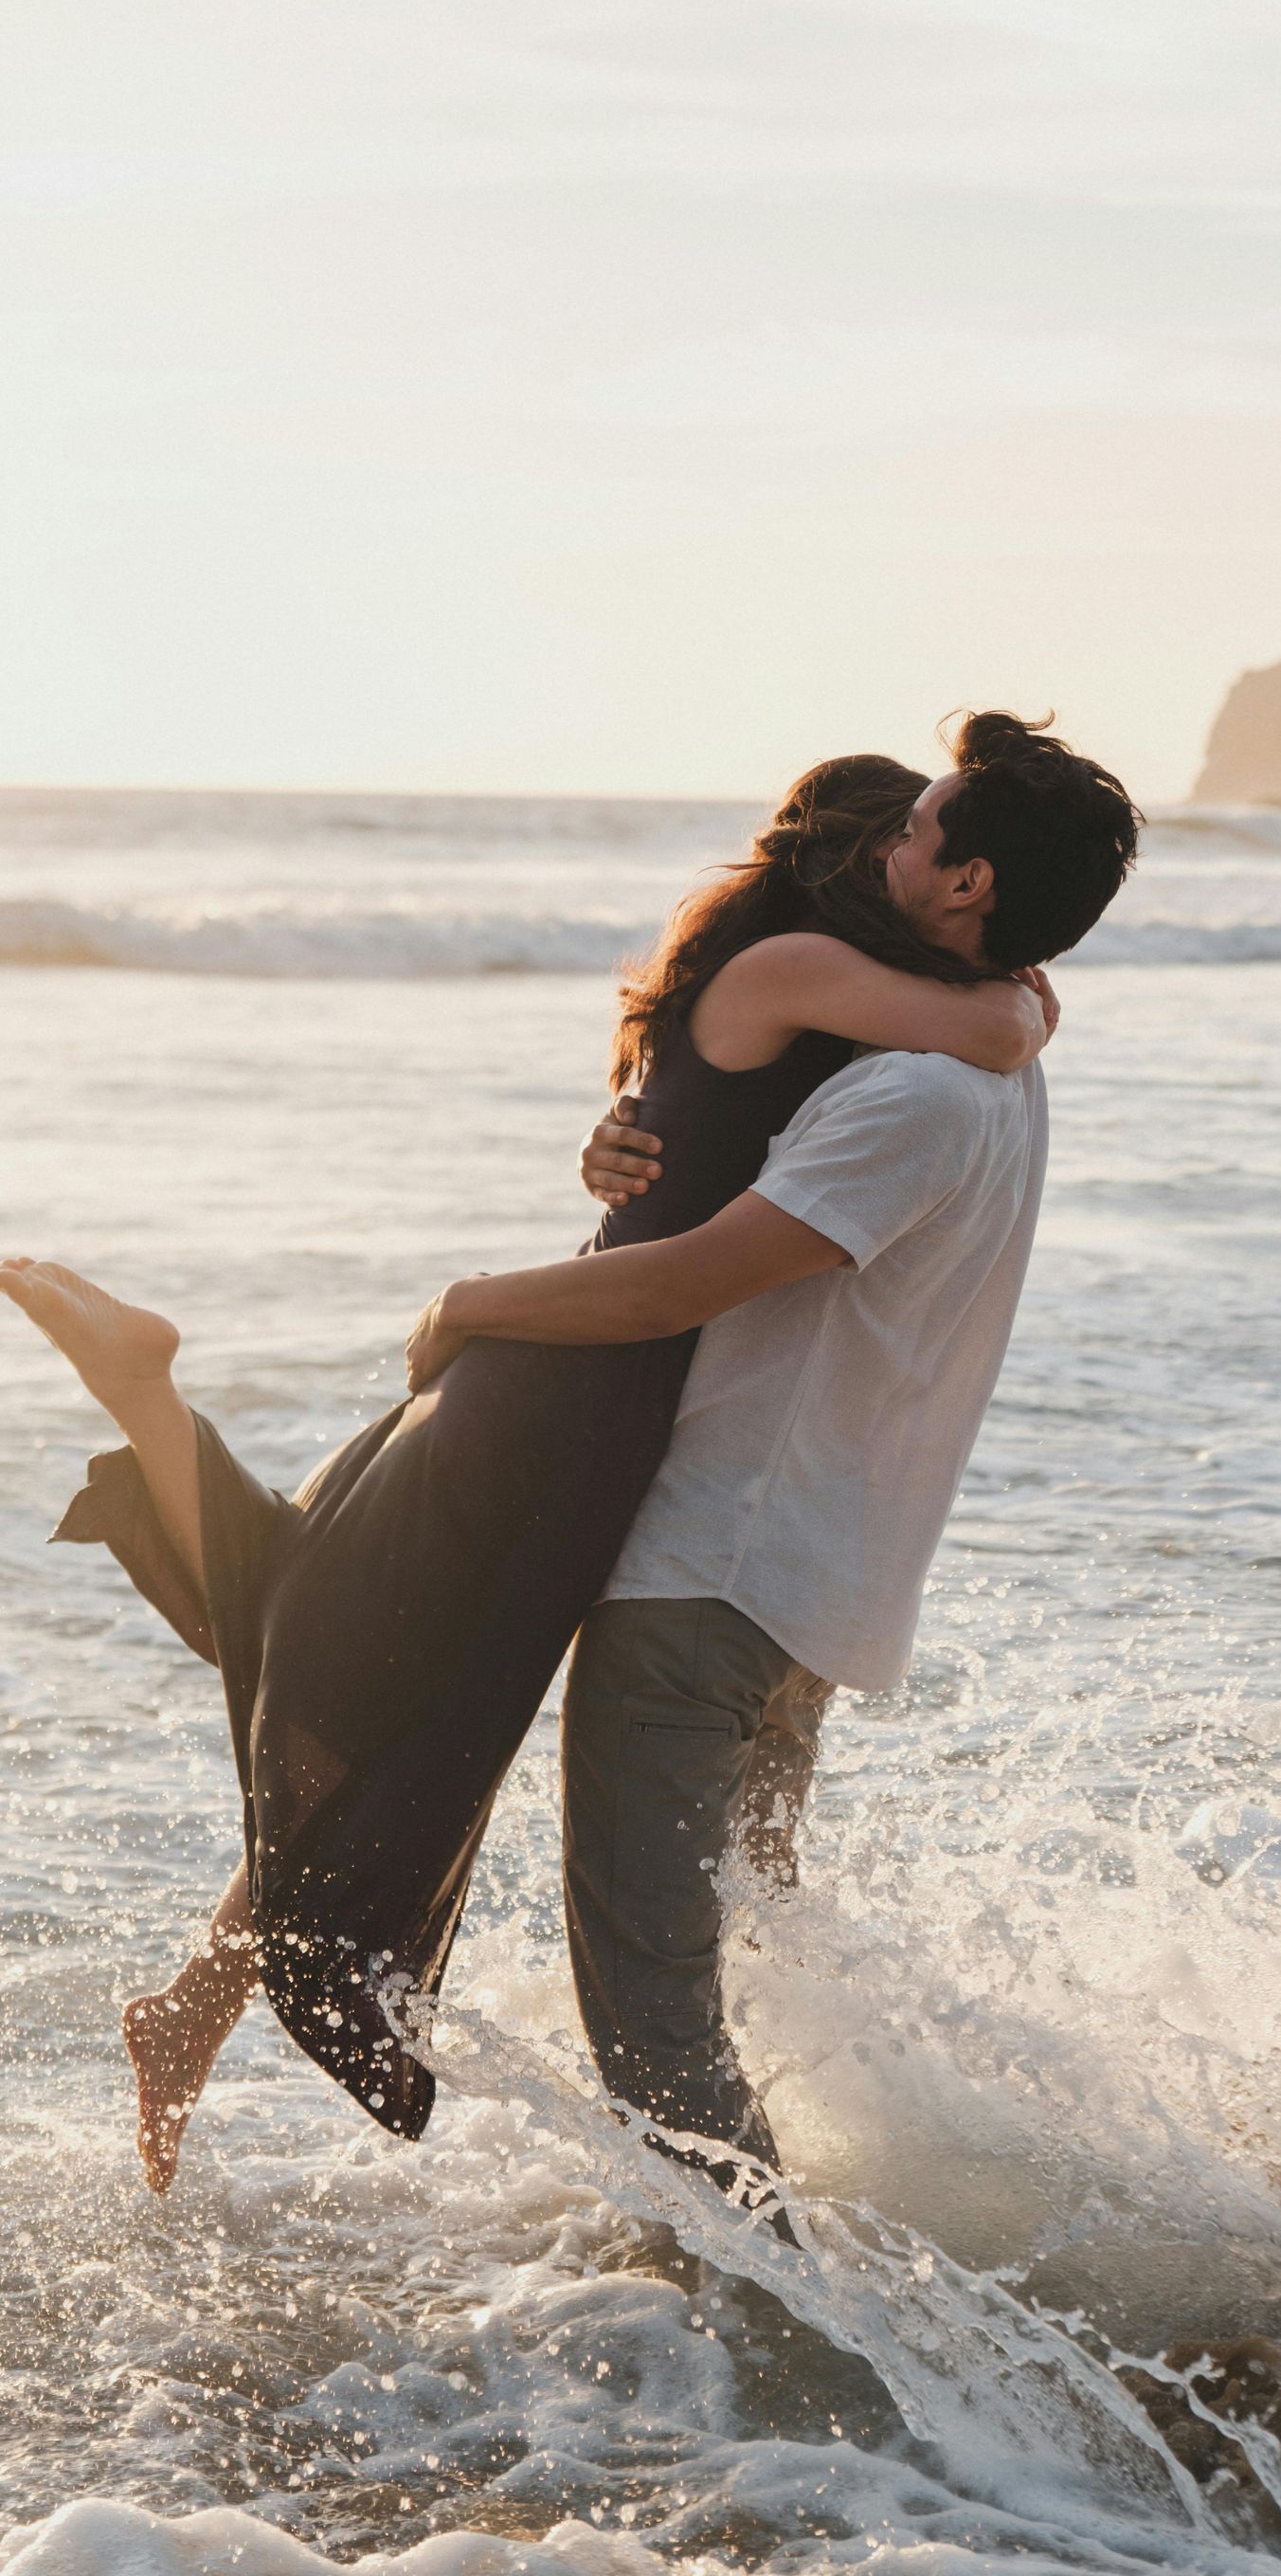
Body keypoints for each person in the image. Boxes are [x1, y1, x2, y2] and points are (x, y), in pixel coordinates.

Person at [2, 747, 1057, 2192]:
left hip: (597, 1389)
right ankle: (145, 1394)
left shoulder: (834, 1018)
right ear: (860, 861)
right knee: (360, 1645)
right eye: (901, 836)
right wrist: (1023, 987)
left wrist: (625, 1148)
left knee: (406, 1669)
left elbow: (760, 1123)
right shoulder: (817, 976)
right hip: (575, 1383)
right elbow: (1001, 1026)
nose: (903, 864)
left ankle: (193, 2000)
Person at [405, 712, 1143, 2173]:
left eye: (920, 826)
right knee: (728, 1985)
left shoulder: (916, 1092)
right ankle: (813, 2297)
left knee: (656, 2031)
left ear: (967, 884)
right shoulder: (982, 1067)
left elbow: (685, 1284)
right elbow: (716, 1183)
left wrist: (467, 1306)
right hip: (802, 1591)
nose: (896, 841)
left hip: (709, 1589)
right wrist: (633, 1140)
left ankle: (780, 2347)